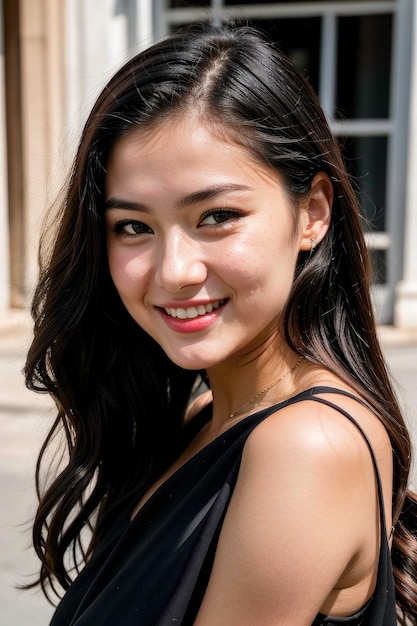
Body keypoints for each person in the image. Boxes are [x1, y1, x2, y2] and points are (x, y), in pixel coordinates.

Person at [24, 21, 417, 625]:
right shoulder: (198, 420)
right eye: (133, 226)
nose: (174, 270)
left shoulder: (308, 446)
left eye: (217, 215)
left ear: (312, 212)